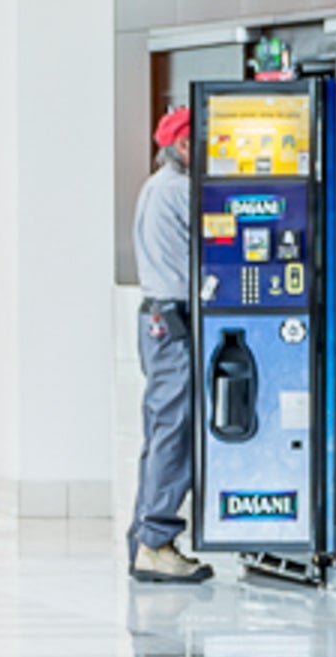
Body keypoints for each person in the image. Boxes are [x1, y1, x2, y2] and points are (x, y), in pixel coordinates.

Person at [128, 107, 209, 584]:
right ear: (184, 146)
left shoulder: (156, 187)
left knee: (161, 429)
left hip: (159, 321)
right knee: (174, 430)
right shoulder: (177, 191)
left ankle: (144, 537)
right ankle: (155, 542)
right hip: (174, 323)